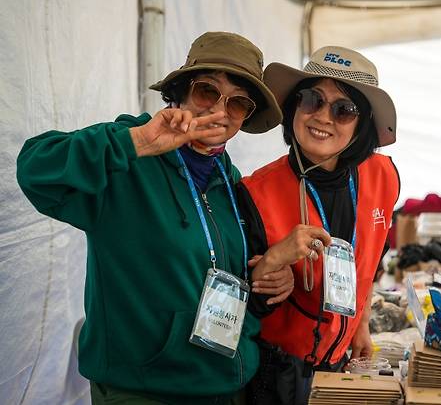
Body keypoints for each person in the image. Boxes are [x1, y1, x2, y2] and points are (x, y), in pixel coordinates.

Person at [16, 32, 296, 404]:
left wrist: (271, 274)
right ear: (180, 92)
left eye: (239, 102)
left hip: (225, 385)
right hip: (144, 390)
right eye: (207, 91)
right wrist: (137, 142)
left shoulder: (229, 181)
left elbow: (217, 271)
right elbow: (35, 169)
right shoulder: (127, 157)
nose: (220, 110)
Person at [237, 46, 400, 404]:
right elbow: (238, 301)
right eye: (312, 100)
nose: (324, 117)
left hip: (343, 363)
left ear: (362, 125)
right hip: (275, 373)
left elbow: (373, 260)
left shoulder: (384, 176)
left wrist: (362, 324)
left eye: (344, 109)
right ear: (294, 107)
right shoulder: (254, 192)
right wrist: (273, 262)